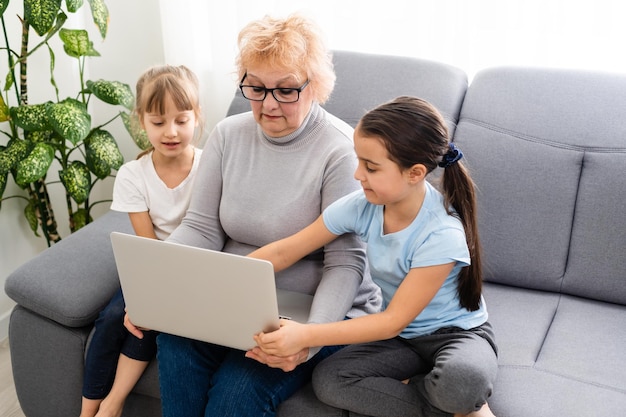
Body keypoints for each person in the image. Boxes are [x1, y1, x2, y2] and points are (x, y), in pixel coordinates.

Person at [123, 13, 381, 417]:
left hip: (312, 309)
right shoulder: (228, 134)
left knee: (236, 394)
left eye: (286, 90)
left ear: (315, 87)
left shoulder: (340, 150)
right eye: (256, 88)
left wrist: (309, 338)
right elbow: (201, 227)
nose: (269, 104)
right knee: (174, 342)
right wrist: (158, 287)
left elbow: (346, 262)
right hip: (229, 298)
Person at [248, 96, 499, 417]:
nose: (357, 174)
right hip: (404, 340)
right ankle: (447, 402)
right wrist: (230, 275)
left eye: (371, 167)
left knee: (463, 383)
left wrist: (304, 334)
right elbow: (285, 250)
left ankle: (454, 396)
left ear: (415, 173)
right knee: (329, 380)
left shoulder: (441, 235)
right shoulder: (361, 207)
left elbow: (392, 321)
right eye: (358, 161)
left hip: (456, 335)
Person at [80, 64, 203, 417]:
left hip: (195, 271)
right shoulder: (134, 174)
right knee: (112, 318)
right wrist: (148, 293)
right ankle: (88, 412)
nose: (172, 132)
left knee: (151, 320)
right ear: (141, 121)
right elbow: (148, 247)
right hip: (152, 267)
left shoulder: (210, 167)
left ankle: (114, 403)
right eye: (158, 122)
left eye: (182, 120)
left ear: (197, 117)